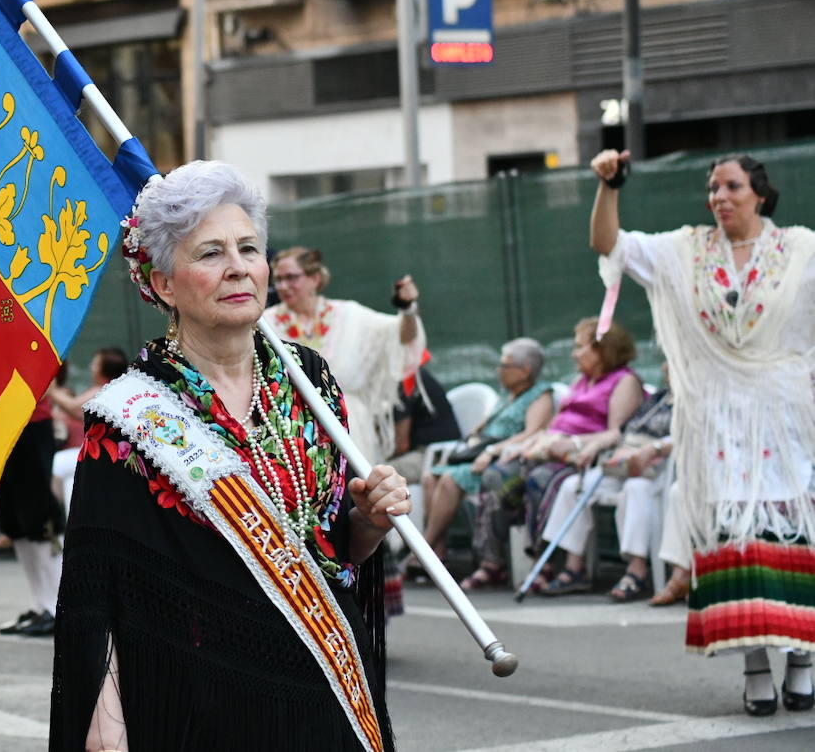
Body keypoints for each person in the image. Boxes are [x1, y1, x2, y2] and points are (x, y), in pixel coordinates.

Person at [51, 161, 410, 751]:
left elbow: (332, 549)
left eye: (248, 248)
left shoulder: (310, 381)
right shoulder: (127, 418)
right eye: (210, 253)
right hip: (199, 705)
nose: (238, 267)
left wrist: (368, 521)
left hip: (326, 685)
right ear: (163, 283)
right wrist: (105, 732)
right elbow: (99, 592)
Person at [590, 150, 815, 716]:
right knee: (733, 537)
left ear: (759, 194)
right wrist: (608, 187)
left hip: (785, 420)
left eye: (731, 186)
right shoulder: (685, 250)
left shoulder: (803, 250)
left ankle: (804, 657)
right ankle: (756, 666)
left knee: (787, 530)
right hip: (715, 421)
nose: (719, 197)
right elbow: (608, 244)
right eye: (712, 188)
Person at [263, 246, 423, 619]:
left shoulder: (349, 316)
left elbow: (400, 337)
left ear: (315, 278)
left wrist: (407, 308)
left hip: (353, 433)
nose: (284, 285)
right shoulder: (266, 321)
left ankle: (368, 617)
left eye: (292, 277)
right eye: (279, 278)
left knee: (364, 514)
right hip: (292, 435)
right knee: (312, 524)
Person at [460, 318, 643, 592]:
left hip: (578, 458)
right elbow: (552, 427)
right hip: (548, 451)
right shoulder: (581, 382)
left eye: (580, 347)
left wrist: (573, 443)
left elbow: (616, 433)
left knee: (540, 480)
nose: (574, 354)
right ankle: (492, 562)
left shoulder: (625, 381)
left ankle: (543, 563)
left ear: (602, 349)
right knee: (497, 476)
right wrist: (527, 444)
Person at [413, 338, 555, 572]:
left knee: (450, 480)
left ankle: (424, 550)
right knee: (431, 478)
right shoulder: (506, 395)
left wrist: (491, 450)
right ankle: (438, 553)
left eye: (505, 366)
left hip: (502, 462)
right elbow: (485, 426)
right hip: (479, 457)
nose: (499, 371)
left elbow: (532, 433)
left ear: (525, 370)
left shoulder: (541, 395)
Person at [534, 376, 674, 601]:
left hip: (660, 467)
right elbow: (622, 431)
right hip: (624, 458)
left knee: (635, 489)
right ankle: (574, 567)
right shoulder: (657, 398)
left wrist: (651, 450)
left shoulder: (691, 398)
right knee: (574, 485)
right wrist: (596, 447)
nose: (666, 367)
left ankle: (637, 570)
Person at [0, 400, 64, 638]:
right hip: (1, 423)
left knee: (39, 517)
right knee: (16, 522)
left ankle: (56, 609)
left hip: (31, 421)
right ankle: (40, 605)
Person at [48, 347, 129, 513]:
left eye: (95, 363)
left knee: (58, 463)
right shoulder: (117, 389)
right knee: (71, 478)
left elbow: (75, 408)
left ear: (103, 369)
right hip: (108, 453)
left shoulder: (103, 390)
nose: (92, 366)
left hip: (107, 455)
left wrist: (53, 389)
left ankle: (56, 518)